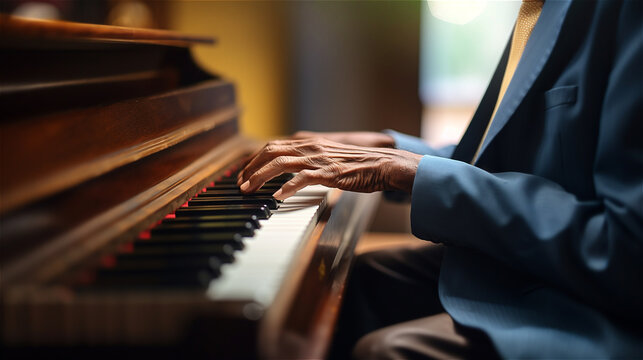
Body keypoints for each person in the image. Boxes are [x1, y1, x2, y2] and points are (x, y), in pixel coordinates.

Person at [238, 0, 643, 358]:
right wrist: (392, 149)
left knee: (381, 350)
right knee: (355, 282)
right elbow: (519, 159)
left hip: (603, 309)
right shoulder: (539, 8)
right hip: (548, 269)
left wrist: (411, 173)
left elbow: (626, 247)